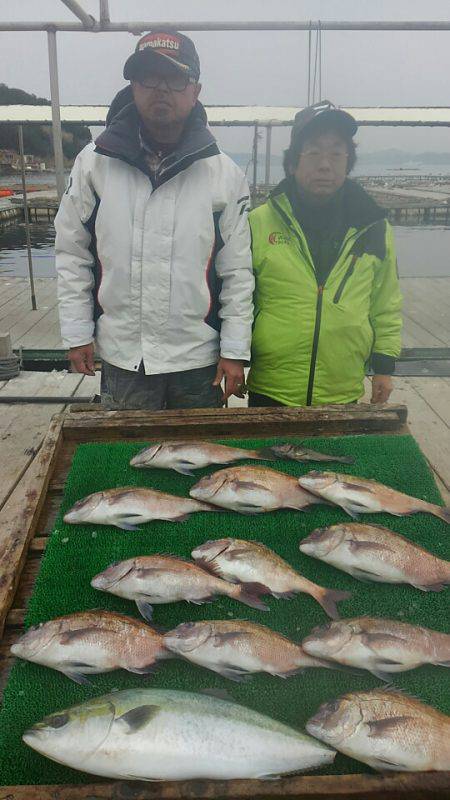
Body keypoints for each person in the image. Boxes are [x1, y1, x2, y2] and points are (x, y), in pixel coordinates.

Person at [55, 30, 253, 409]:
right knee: (126, 461)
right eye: (148, 76)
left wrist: (235, 349)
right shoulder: (93, 164)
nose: (161, 89)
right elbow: (71, 252)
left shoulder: (224, 174)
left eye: (175, 78)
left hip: (200, 361)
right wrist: (78, 331)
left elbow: (238, 272)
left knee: (201, 462)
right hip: (124, 357)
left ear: (195, 90)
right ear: (132, 86)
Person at [247, 100, 402, 408]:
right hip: (272, 387)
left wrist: (384, 368)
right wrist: (234, 356)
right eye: (314, 152)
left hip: (342, 389)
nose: (324, 164)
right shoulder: (259, 221)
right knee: (265, 458)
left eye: (336, 153)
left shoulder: (374, 226)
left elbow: (386, 301)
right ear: (292, 163)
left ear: (348, 162)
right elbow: (238, 300)